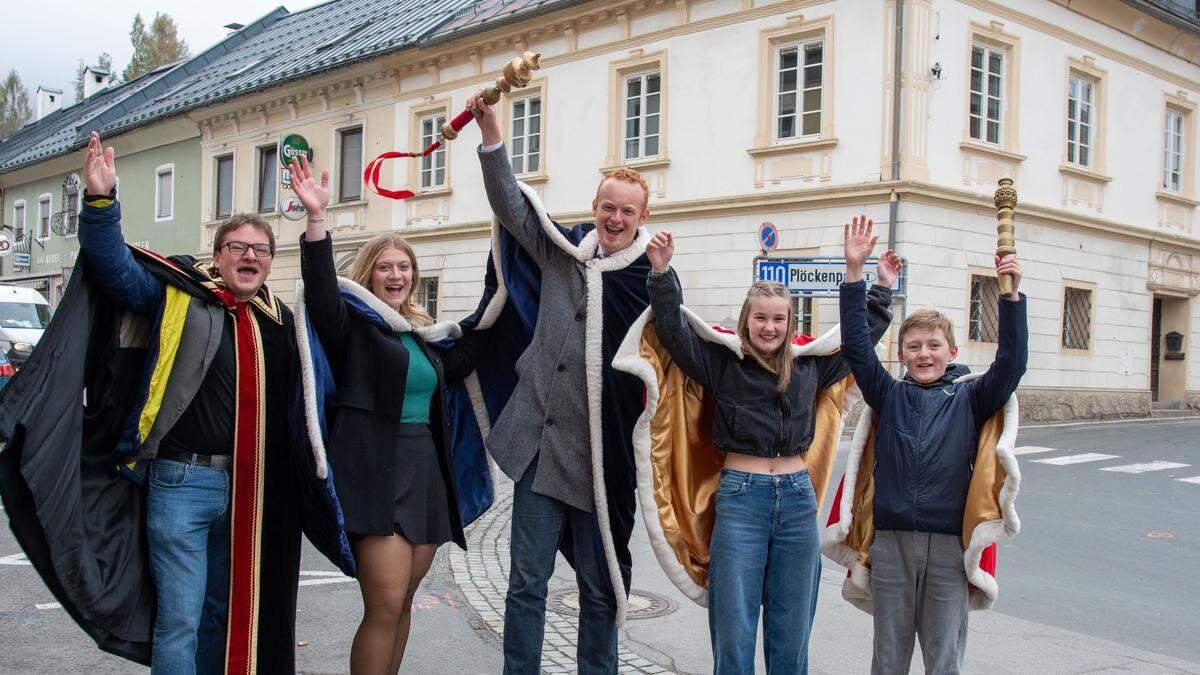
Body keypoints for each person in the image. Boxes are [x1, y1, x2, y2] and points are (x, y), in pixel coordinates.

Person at [0, 131, 323, 674]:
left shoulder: (278, 325)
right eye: (238, 247)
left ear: (270, 262)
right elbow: (116, 271)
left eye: (260, 250)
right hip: (181, 482)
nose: (250, 256)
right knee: (179, 618)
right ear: (217, 256)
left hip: (251, 490)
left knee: (227, 614)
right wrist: (101, 204)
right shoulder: (178, 298)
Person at [642, 227, 897, 674]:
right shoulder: (722, 364)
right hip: (741, 500)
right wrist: (662, 273)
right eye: (761, 317)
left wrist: (868, 280)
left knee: (792, 628)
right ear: (747, 319)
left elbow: (859, 342)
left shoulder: (809, 366)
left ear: (790, 323)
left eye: (779, 319)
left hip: (797, 502)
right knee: (734, 627)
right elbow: (675, 333)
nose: (770, 327)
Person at [467, 89, 655, 674]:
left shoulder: (652, 280)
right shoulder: (563, 255)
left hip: (603, 463)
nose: (616, 218)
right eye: (608, 207)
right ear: (595, 207)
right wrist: (492, 130)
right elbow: (512, 207)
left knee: (602, 591)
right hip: (543, 451)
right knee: (526, 584)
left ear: (642, 218)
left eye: (628, 211)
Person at [287, 155, 483, 673]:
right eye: (385, 266)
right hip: (374, 472)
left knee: (403, 605)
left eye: (403, 267)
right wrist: (316, 220)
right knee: (385, 604)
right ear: (369, 273)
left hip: (424, 475)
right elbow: (323, 295)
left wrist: (508, 269)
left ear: (413, 276)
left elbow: (475, 341)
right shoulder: (352, 325)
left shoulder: (421, 335)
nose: (396, 274)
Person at [836, 217, 1027, 674]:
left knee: (944, 661)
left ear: (952, 352)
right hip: (892, 543)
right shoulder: (889, 394)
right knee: (888, 660)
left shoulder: (972, 397)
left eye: (934, 345)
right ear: (901, 354)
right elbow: (857, 349)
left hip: (948, 548)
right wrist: (853, 274)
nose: (924, 353)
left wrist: (1012, 297)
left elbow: (1011, 363)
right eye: (914, 346)